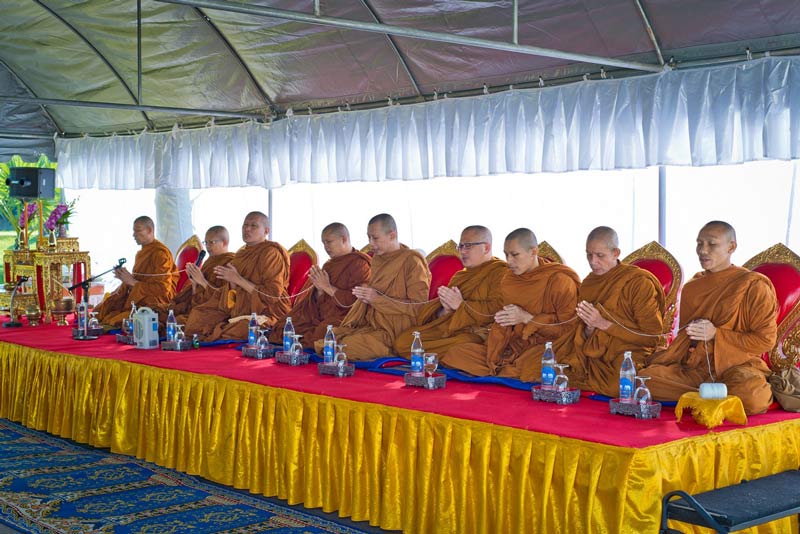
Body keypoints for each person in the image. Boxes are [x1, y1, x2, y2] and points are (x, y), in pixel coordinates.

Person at [641, 221, 777, 414]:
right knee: (646, 380)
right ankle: (714, 394)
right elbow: (686, 340)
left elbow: (765, 341)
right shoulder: (693, 286)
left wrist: (716, 334)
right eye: (699, 243)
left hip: (738, 366)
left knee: (752, 396)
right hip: (698, 368)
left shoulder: (754, 286)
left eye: (712, 244)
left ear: (731, 247)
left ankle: (705, 395)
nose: (703, 250)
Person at [440, 228, 580, 381]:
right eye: (506, 254)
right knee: (456, 353)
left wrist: (527, 318)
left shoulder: (561, 282)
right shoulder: (509, 279)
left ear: (533, 252)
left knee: (531, 365)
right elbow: (502, 323)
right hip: (514, 346)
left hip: (548, 346)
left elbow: (568, 331)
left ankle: (507, 369)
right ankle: (504, 367)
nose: (509, 261)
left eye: (515, 255)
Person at [547, 226, 665, 397]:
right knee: (552, 371)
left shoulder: (639, 283)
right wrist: (589, 328)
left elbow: (652, 338)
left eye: (600, 256)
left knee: (618, 385)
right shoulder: (589, 283)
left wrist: (602, 323)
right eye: (589, 254)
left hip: (628, 352)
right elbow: (582, 332)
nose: (593, 262)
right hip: (593, 351)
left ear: (616, 252)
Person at [315, 213, 430, 360]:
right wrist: (364, 298)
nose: (371, 243)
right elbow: (371, 299)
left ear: (392, 235)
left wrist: (376, 299)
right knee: (328, 341)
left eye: (375, 238)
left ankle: (389, 349)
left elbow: (419, 307)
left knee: (344, 347)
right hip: (372, 324)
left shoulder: (412, 261)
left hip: (396, 329)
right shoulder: (377, 260)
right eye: (368, 237)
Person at [393, 226, 507, 357]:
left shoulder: (501, 273)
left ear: (486, 248)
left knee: (465, 345)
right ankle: (445, 358)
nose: (462, 251)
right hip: (449, 330)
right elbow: (443, 317)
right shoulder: (460, 276)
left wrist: (461, 305)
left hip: (476, 334)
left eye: (468, 246)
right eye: (461, 246)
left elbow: (497, 311)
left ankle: (444, 358)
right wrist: (445, 310)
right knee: (403, 342)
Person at [184, 212, 290, 340]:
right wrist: (231, 283)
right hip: (239, 309)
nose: (247, 229)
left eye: (253, 226)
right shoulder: (241, 254)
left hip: (267, 311)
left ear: (266, 231)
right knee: (197, 317)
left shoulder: (271, 253)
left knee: (240, 329)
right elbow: (230, 294)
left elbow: (272, 295)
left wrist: (237, 279)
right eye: (245, 225)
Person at [271, 222, 371, 345]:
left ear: (343, 239)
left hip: (345, 318)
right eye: (323, 243)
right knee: (284, 326)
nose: (326, 247)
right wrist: (319, 291)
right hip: (320, 315)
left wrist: (327, 287)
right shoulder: (329, 265)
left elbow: (358, 302)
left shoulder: (360, 264)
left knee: (323, 332)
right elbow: (318, 301)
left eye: (329, 242)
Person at [95, 215, 178, 327]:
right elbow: (136, 280)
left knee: (116, 320)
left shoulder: (160, 254)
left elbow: (163, 289)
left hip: (156, 301)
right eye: (134, 231)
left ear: (149, 230)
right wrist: (124, 277)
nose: (134, 235)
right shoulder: (141, 253)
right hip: (139, 297)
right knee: (101, 310)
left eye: (138, 231)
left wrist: (132, 282)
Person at [157, 226, 236, 324]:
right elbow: (197, 297)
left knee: (180, 321)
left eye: (211, 242)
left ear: (224, 242)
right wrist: (194, 284)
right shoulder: (209, 262)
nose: (207, 247)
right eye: (206, 243)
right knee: (158, 311)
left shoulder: (230, 263)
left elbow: (227, 299)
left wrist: (202, 281)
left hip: (216, 312)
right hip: (199, 307)